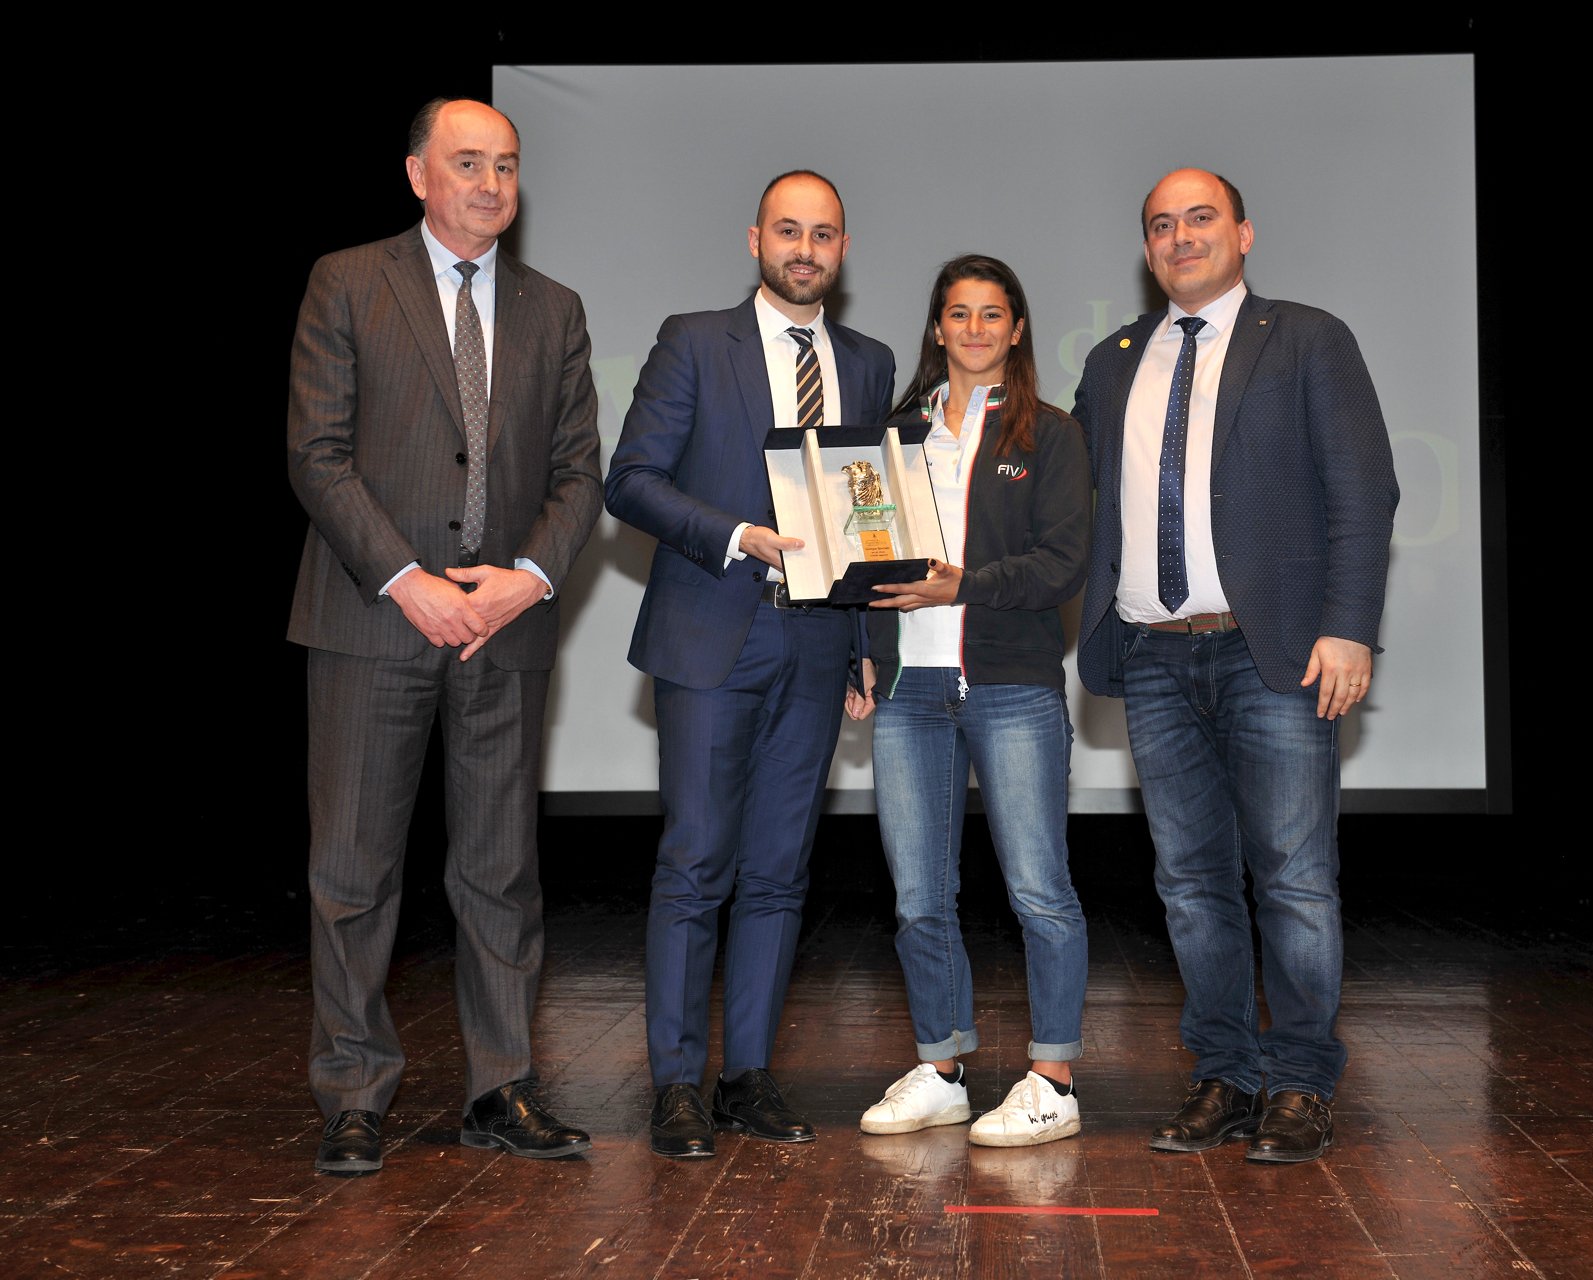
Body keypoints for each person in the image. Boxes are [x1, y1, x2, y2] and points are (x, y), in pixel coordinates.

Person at [287, 98, 602, 1175]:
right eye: (468, 163)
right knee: (353, 872)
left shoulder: (554, 307)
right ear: (418, 174)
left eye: (506, 165)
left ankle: (500, 1089)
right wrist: (407, 579)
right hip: (372, 617)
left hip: (501, 628)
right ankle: (353, 1094)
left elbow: (579, 472)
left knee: (500, 872)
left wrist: (527, 579)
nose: (490, 184)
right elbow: (317, 454)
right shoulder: (348, 281)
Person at [1074, 169, 1399, 1164]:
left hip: (1275, 655)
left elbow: (1365, 490)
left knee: (1294, 880)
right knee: (1189, 883)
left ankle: (1300, 1081)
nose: (1180, 236)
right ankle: (1226, 1074)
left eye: (1200, 218)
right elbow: (1075, 500)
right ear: (1146, 248)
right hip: (1154, 654)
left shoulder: (1307, 339)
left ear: (1243, 233)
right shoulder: (1111, 360)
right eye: (1161, 225)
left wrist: (1349, 626)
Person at [605, 171, 896, 1159]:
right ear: (755, 239)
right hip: (712, 631)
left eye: (823, 233)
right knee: (695, 863)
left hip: (816, 642)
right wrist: (736, 534)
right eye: (788, 231)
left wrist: (864, 645)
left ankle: (748, 1077)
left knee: (779, 869)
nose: (804, 248)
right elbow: (630, 479)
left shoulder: (868, 361)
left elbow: (867, 512)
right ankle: (677, 1085)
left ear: (843, 248)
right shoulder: (695, 340)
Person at [848, 255, 1092, 1148]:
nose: (976, 329)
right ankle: (942, 1069)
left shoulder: (1051, 435)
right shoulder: (893, 435)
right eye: (960, 313)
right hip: (908, 691)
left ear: (1017, 329)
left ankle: (1054, 1080)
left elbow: (1063, 564)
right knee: (920, 897)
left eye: (993, 314)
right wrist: (861, 651)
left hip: (1012, 686)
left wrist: (967, 586)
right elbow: (861, 554)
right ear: (937, 327)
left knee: (1039, 891)